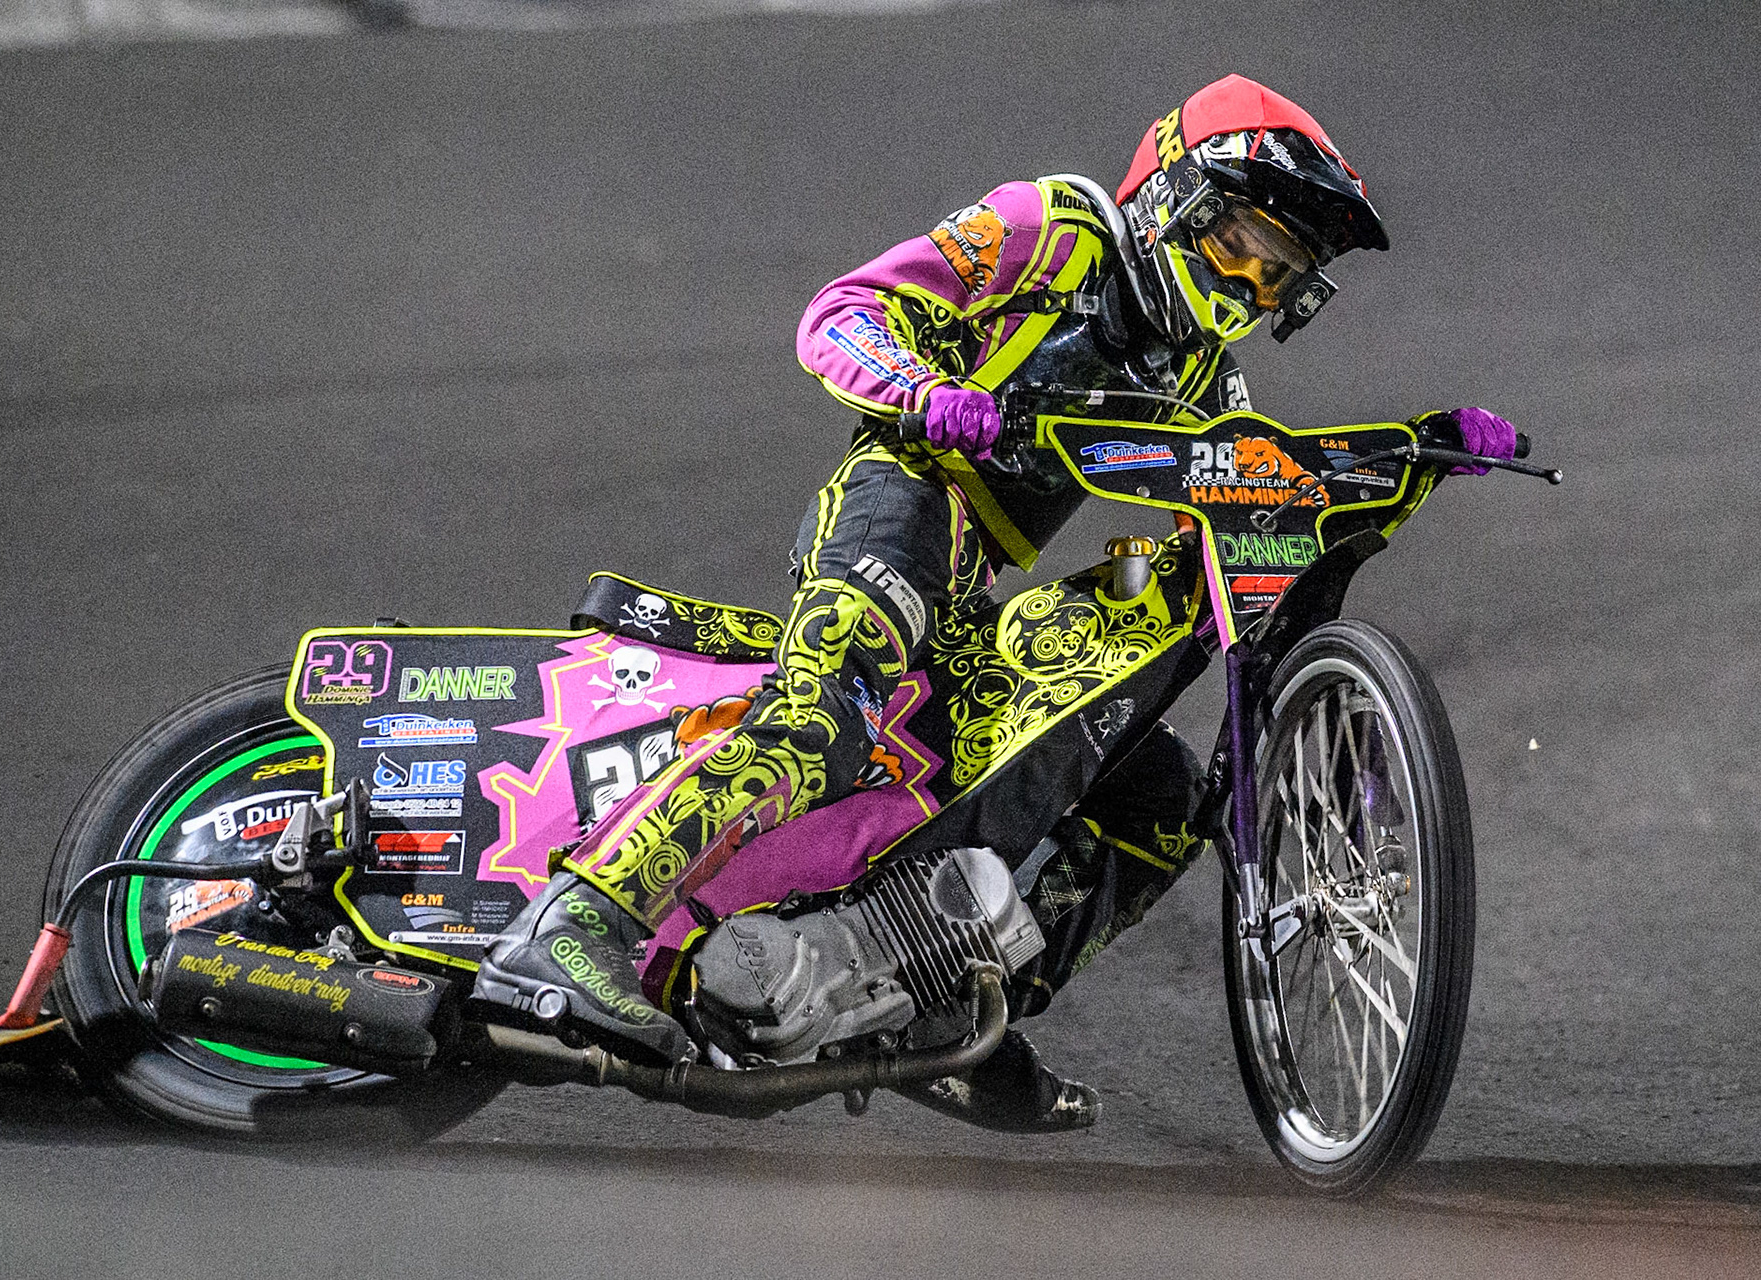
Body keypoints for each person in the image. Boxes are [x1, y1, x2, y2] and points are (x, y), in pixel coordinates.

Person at [480, 74, 1514, 1131]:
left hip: (972, 584)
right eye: (1244, 244)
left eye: (1280, 272)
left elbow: (1244, 529)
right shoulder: (1055, 228)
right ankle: (577, 925)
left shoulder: (1205, 382)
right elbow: (844, 312)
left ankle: (938, 1015)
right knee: (824, 717)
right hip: (901, 494)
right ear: (1177, 198)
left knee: (1157, 789)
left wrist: (1410, 455)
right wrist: (930, 394)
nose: (1250, 284)